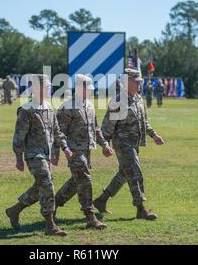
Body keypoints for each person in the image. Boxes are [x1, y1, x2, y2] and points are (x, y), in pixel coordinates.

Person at [93, 69, 165, 220]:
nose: (140, 83)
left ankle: (101, 200)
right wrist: (105, 145)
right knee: (135, 173)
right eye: (136, 80)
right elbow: (107, 126)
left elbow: (144, 121)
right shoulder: (118, 101)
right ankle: (141, 209)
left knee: (124, 174)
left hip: (134, 143)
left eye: (140, 80)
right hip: (122, 143)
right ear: (126, 82)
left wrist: (154, 135)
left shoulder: (138, 98)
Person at [6, 74, 73, 236]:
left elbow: (57, 131)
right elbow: (19, 136)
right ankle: (50, 225)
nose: (50, 88)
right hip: (33, 155)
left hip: (46, 154)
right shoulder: (26, 110)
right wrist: (18, 158)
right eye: (47, 86)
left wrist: (65, 148)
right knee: (47, 184)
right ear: (38, 88)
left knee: (40, 187)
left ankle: (15, 210)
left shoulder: (49, 107)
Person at [53, 74, 113, 230]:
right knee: (85, 179)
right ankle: (90, 216)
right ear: (80, 89)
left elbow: (96, 129)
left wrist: (104, 145)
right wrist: (59, 151)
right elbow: (58, 131)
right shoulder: (68, 107)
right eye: (88, 89)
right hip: (74, 150)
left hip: (87, 150)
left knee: (76, 181)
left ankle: (53, 204)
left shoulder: (90, 106)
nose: (91, 92)